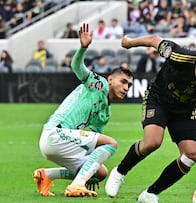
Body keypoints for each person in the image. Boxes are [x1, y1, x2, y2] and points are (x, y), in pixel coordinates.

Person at [105, 35, 196, 203]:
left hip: (184, 110)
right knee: (152, 142)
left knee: (192, 154)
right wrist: (129, 43)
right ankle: (119, 172)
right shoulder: (180, 55)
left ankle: (150, 194)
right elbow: (153, 40)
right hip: (158, 99)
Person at [32, 23, 134, 197]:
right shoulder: (99, 84)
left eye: (129, 85)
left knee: (100, 173)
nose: (126, 87)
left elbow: (95, 148)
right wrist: (83, 48)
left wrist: (90, 171)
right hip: (55, 133)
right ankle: (76, 185)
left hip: (59, 144)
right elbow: (77, 67)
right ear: (110, 79)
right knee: (112, 143)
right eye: (123, 82)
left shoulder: (105, 113)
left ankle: (46, 175)